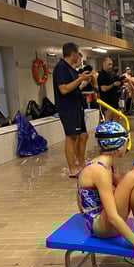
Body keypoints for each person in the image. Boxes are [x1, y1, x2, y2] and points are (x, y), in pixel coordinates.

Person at [76, 121, 134, 263]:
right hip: (100, 227)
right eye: (126, 142)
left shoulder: (107, 163)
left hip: (103, 216)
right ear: (119, 146)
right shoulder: (99, 171)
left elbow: (121, 184)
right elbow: (112, 216)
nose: (128, 145)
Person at [53, 42, 92, 178]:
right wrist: (80, 79)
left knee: (84, 135)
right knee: (71, 137)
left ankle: (81, 163)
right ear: (73, 53)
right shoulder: (61, 68)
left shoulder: (70, 68)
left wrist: (81, 80)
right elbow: (63, 89)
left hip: (76, 106)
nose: (79, 58)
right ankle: (72, 169)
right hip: (68, 108)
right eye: (78, 55)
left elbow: (73, 87)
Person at [98, 58, 122, 122]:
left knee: (116, 116)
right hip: (107, 101)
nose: (110, 66)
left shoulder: (110, 74)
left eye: (111, 65)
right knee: (108, 118)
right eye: (109, 64)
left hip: (114, 99)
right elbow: (103, 89)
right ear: (104, 64)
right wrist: (113, 85)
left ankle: (115, 128)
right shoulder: (102, 75)